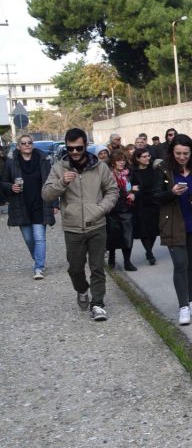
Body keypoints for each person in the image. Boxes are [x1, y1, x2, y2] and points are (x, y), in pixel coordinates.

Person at [41, 127, 119, 321]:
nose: (74, 152)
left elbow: (113, 190)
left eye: (79, 148)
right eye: (70, 149)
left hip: (97, 225)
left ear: (86, 146)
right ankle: (82, 289)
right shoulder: (60, 167)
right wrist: (62, 183)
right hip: (73, 227)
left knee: (97, 268)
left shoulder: (100, 167)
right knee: (75, 269)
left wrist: (101, 209)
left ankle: (98, 304)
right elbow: (46, 194)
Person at [154, 134, 192, 326]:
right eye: (178, 153)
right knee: (180, 264)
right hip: (173, 223)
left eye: (185, 153)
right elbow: (155, 197)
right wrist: (171, 193)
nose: (182, 157)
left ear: (191, 152)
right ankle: (183, 306)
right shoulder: (163, 170)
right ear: (172, 152)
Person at [1, 134, 56, 279]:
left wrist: (54, 204)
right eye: (23, 143)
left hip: (40, 204)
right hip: (21, 206)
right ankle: (38, 259)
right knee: (29, 239)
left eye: (29, 143)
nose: (27, 145)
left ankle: (39, 267)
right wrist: (11, 187)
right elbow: (3, 182)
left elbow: (53, 183)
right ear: (18, 146)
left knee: (39, 238)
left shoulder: (44, 160)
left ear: (33, 144)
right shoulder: (11, 162)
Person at [105, 150, 137, 271]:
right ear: (113, 162)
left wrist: (134, 193)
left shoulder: (129, 173)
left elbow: (137, 186)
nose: (122, 162)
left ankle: (127, 262)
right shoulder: (107, 174)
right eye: (119, 160)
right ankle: (111, 258)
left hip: (127, 207)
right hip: (112, 208)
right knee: (113, 235)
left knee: (128, 235)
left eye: (123, 160)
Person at [130, 147, 161, 265]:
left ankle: (149, 250)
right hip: (140, 204)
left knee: (153, 230)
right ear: (137, 159)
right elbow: (133, 187)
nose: (147, 158)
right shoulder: (133, 171)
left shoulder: (154, 170)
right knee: (144, 230)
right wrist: (134, 191)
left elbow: (160, 183)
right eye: (144, 156)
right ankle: (149, 252)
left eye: (148, 156)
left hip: (153, 203)